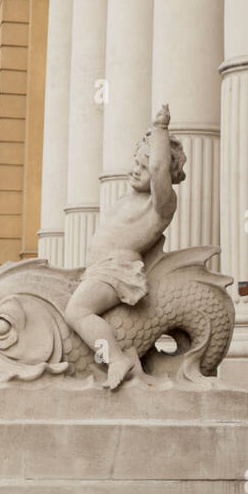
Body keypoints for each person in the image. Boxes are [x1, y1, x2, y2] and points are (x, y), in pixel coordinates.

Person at [63, 104, 186, 389]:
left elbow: (158, 169)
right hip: (99, 270)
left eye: (146, 168)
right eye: (136, 162)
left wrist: (160, 129)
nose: (137, 171)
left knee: (77, 312)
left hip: (118, 271)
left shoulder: (160, 206)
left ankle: (116, 358)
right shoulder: (127, 197)